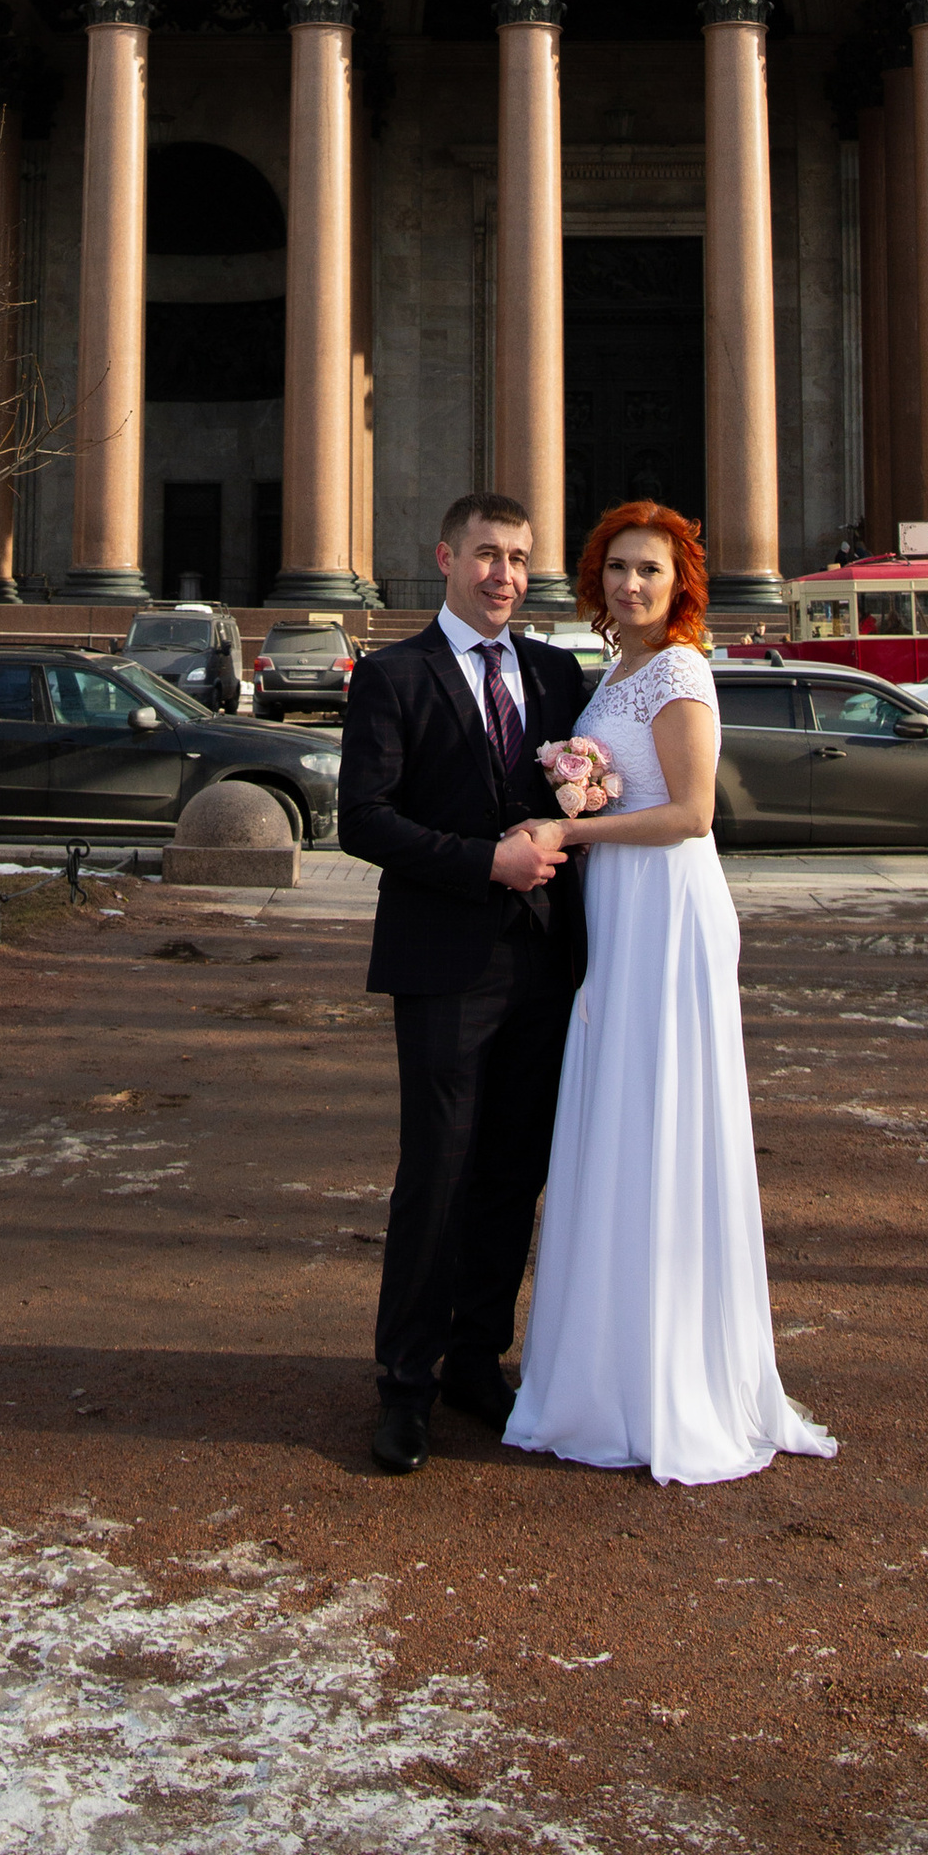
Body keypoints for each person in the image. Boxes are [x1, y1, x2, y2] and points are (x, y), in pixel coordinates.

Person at [507, 499, 836, 1490]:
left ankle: (667, 1381)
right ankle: (605, 1370)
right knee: (617, 1122)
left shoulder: (683, 669)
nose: (631, 584)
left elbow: (691, 815)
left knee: (660, 1120)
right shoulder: (614, 670)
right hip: (620, 909)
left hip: (668, 909)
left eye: (649, 569)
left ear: (679, 580)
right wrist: (584, 797)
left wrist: (569, 830)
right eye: (616, 568)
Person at [337, 492, 593, 1476]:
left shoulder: (554, 671)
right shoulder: (394, 674)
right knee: (435, 1176)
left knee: (508, 1175)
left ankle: (474, 1360)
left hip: (542, 962)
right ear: (445, 557)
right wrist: (480, 862)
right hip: (445, 961)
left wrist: (580, 807)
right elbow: (363, 819)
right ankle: (402, 1385)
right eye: (487, 556)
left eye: (520, 560)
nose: (505, 576)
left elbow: (579, 790)